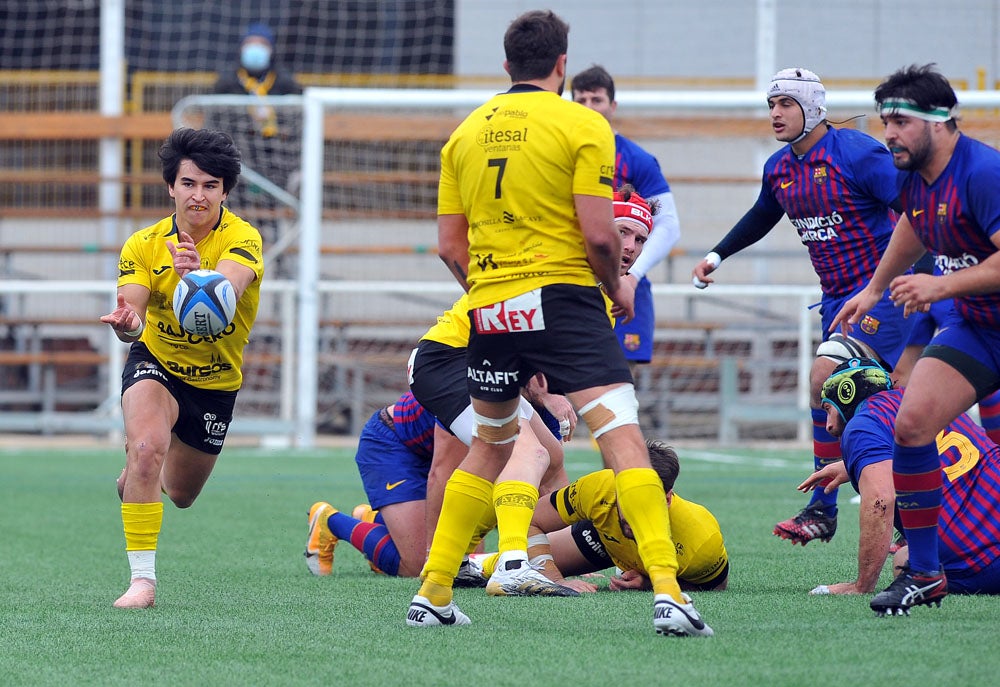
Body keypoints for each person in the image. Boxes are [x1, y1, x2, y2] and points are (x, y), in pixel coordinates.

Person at [410, 9, 711, 637]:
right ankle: (668, 592)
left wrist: (492, 296)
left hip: (491, 308)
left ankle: (433, 591)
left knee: (490, 447)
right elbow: (601, 237)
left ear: (505, 66)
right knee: (623, 439)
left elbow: (447, 246)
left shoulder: (463, 135)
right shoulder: (583, 123)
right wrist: (618, 286)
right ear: (562, 65)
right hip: (566, 298)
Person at [307, 187, 656, 585]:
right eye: (621, 232)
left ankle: (545, 563)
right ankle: (510, 568)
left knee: (550, 457)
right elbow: (441, 468)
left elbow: (587, 397)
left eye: (640, 238)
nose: (629, 246)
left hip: (480, 371)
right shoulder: (555, 268)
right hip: (435, 381)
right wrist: (437, 563)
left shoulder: (594, 299)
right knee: (424, 558)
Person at [691, 67, 913, 546]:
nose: (775, 113)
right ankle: (904, 518)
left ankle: (822, 509)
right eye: (771, 105)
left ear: (813, 107)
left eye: (786, 104)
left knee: (825, 378)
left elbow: (914, 206)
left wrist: (933, 277)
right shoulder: (780, 168)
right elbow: (762, 214)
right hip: (837, 300)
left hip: (886, 292)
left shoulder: (858, 153)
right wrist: (717, 254)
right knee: (877, 403)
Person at [831, 64, 1000, 615]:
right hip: (977, 326)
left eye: (900, 120)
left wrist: (941, 284)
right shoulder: (912, 177)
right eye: (885, 120)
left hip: (978, 313)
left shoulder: (983, 172)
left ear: (940, 121)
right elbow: (912, 222)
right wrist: (874, 290)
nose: (890, 133)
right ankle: (926, 573)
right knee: (911, 424)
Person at [101, 127, 264, 609]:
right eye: (189, 184)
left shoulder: (242, 237)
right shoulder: (143, 244)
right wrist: (128, 326)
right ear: (171, 186)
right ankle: (142, 582)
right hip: (156, 363)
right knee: (148, 448)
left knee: (180, 492)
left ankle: (135, 479)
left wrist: (199, 278)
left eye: (210, 186)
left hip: (214, 382)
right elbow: (130, 316)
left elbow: (231, 286)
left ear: (225, 191)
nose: (199, 195)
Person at [798, 358, 1000, 603]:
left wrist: (862, 585)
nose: (828, 426)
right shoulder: (918, 400)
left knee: (904, 561)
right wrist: (852, 466)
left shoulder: (861, 426)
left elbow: (880, 500)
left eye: (828, 409)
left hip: (982, 563)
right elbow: (931, 450)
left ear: (846, 394)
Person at [473, 440, 729, 595]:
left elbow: (716, 588)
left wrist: (649, 582)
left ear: (668, 498)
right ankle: (469, 565)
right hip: (606, 540)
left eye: (645, 503)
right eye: (625, 498)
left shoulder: (701, 541)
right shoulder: (599, 488)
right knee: (525, 564)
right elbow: (531, 520)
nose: (632, 513)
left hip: (654, 552)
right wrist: (555, 580)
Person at [571, 65, 682, 369]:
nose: (589, 108)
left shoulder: (636, 159)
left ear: (613, 106)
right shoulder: (560, 154)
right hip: (570, 282)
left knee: (618, 382)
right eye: (581, 101)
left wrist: (631, 277)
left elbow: (668, 225)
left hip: (623, 284)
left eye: (597, 100)